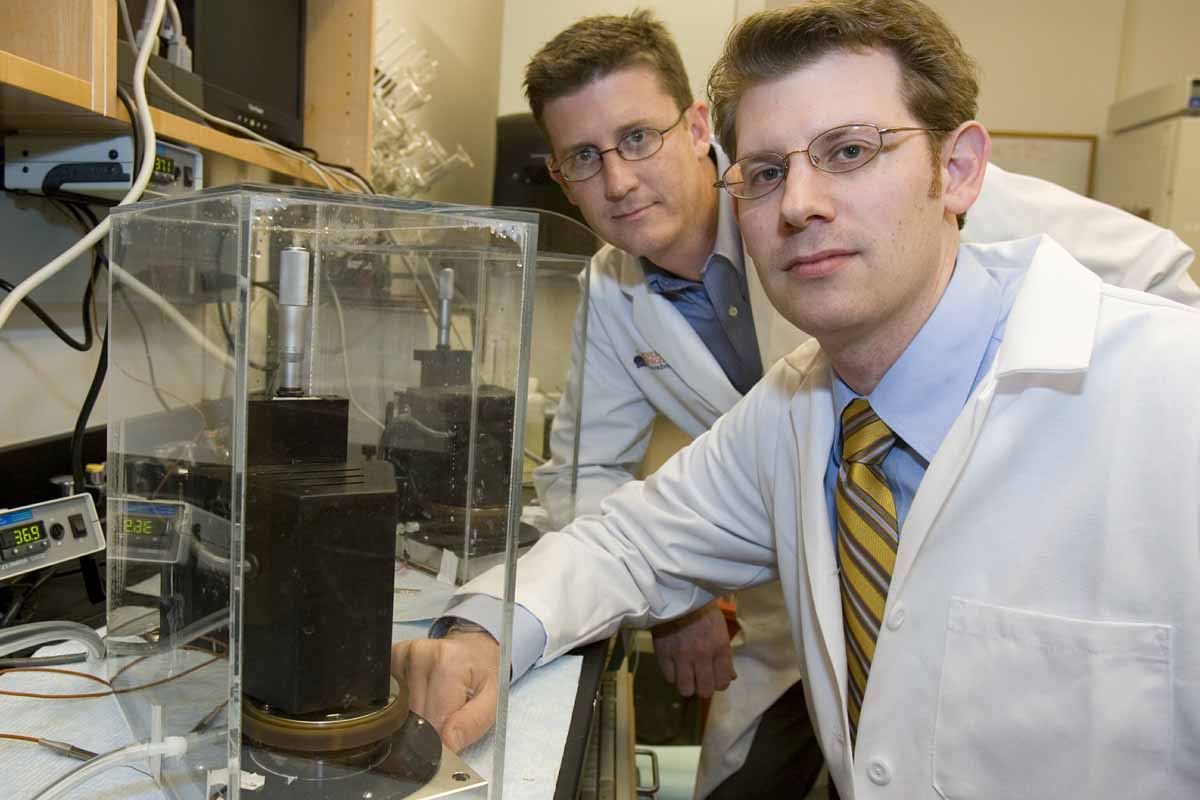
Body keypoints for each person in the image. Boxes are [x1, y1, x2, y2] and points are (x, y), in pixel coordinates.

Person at [394, 3, 1200, 797]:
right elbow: (624, 536)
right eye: (769, 171)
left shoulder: (1161, 404)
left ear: (957, 171)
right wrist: (480, 631)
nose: (800, 204)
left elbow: (1154, 277)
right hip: (797, 615)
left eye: (850, 151)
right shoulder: (798, 410)